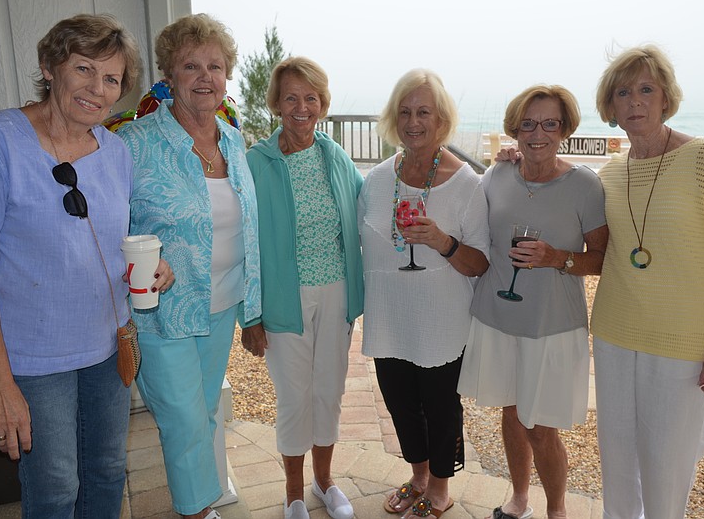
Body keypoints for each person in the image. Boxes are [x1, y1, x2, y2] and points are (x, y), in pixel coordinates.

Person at [0, 14, 173, 518]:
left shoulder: (114, 151)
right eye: (83, 69)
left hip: (106, 346)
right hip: (31, 356)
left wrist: (156, 266)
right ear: (49, 67)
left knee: (108, 471)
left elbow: (109, 241)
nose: (97, 89)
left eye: (111, 79)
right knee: (56, 487)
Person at [591, 45, 704, 518]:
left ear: (666, 98)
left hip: (683, 345)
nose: (635, 101)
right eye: (623, 92)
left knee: (667, 470)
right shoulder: (609, 175)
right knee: (617, 464)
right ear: (611, 106)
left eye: (646, 89)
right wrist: (516, 160)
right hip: (614, 337)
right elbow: (568, 214)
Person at [116, 14, 261, 519]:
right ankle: (198, 510)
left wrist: (255, 309)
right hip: (165, 311)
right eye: (191, 66)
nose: (205, 77)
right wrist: (147, 256)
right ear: (170, 75)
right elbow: (108, 223)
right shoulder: (135, 143)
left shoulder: (234, 140)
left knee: (201, 413)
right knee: (180, 419)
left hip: (220, 303)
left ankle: (200, 504)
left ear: (227, 78)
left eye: (215, 67)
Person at [457, 85, 608, 519]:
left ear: (564, 129)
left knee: (540, 427)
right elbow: (473, 228)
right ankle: (519, 499)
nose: (537, 133)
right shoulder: (497, 174)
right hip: (498, 317)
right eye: (528, 123)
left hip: (552, 325)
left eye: (549, 123)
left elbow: (601, 258)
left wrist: (558, 258)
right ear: (515, 129)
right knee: (511, 412)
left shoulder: (584, 184)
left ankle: (557, 510)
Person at [358, 69, 490, 519]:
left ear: (441, 120)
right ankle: (417, 476)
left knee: (439, 406)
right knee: (398, 401)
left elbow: (480, 262)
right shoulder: (376, 179)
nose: (414, 121)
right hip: (389, 314)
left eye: (424, 112)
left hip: (441, 320)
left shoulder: (466, 183)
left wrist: (441, 242)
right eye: (406, 112)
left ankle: (439, 486)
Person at [242, 56, 363, 519]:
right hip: (283, 300)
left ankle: (324, 482)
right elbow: (244, 243)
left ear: (323, 104)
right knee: (294, 397)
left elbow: (371, 201)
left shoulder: (334, 155)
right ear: (275, 104)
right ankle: (294, 492)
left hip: (335, 294)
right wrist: (249, 315)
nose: (301, 106)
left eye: (310, 97)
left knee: (328, 391)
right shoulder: (256, 162)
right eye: (291, 97)